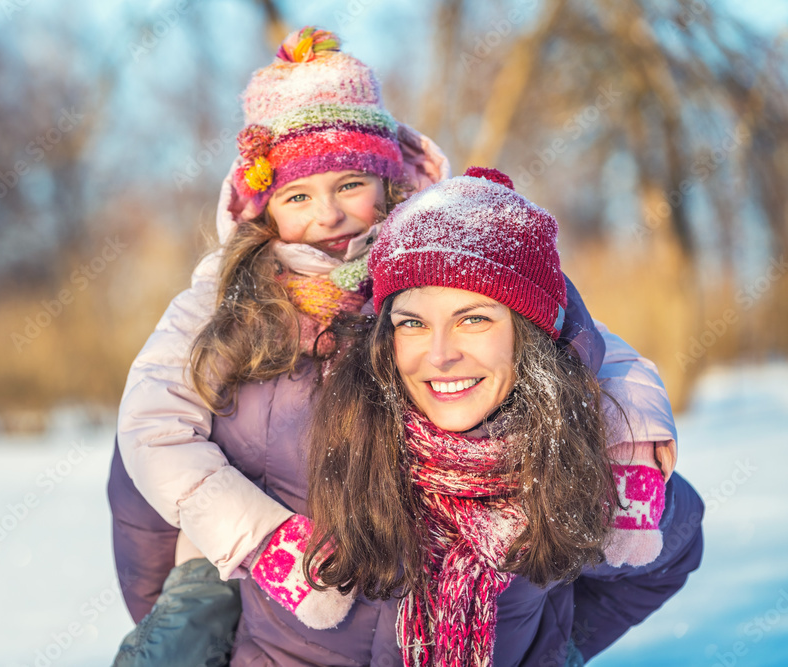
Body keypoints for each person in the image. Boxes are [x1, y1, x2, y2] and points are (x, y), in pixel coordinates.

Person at [107, 27, 678, 665]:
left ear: (390, 178)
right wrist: (250, 553)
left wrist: (633, 438)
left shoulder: (430, 262)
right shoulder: (220, 304)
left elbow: (585, 343)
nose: (329, 215)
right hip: (276, 601)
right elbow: (152, 432)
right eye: (298, 195)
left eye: (350, 184)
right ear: (262, 206)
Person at [304, 168, 704, 667]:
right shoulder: (337, 439)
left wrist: (555, 649)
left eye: (474, 319)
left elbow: (675, 550)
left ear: (527, 333)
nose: (440, 354)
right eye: (413, 323)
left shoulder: (574, 462)